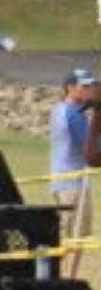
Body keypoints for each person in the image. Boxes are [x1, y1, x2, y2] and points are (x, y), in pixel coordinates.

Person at [52, 69, 94, 243]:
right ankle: (62, 271)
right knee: (76, 239)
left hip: (59, 178)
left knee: (67, 238)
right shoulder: (76, 114)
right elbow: (89, 151)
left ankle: (63, 271)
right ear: (70, 87)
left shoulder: (58, 109)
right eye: (83, 86)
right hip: (74, 183)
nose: (88, 90)